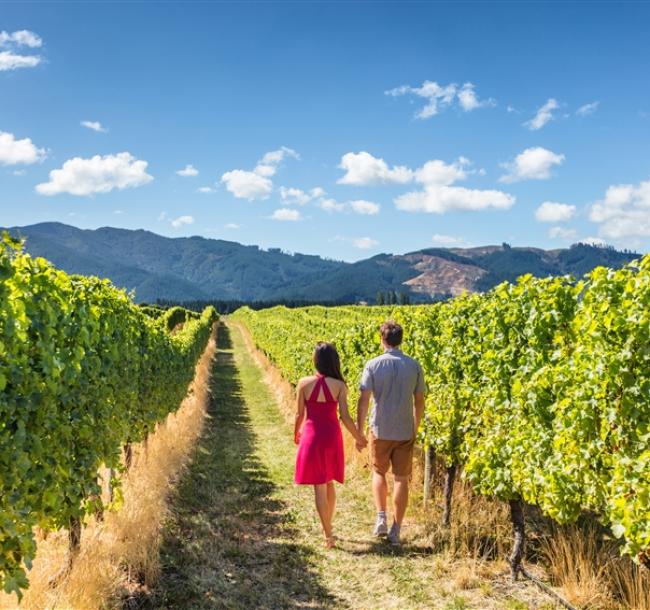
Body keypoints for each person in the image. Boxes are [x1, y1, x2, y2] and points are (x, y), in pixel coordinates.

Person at [356, 320, 426, 546]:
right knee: (401, 478)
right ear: (401, 340)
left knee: (378, 473)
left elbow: (364, 400)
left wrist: (359, 430)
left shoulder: (373, 365)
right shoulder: (414, 366)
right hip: (404, 429)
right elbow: (419, 401)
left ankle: (381, 518)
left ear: (382, 340)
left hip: (380, 428)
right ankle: (396, 529)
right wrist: (415, 427)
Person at [294, 342, 368, 548]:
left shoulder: (303, 383)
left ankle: (327, 534)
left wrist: (295, 433)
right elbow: (345, 417)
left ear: (316, 361)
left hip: (311, 435)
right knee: (329, 481)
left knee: (319, 485)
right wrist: (358, 437)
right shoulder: (339, 386)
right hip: (332, 436)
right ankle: (328, 524)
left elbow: (299, 414)